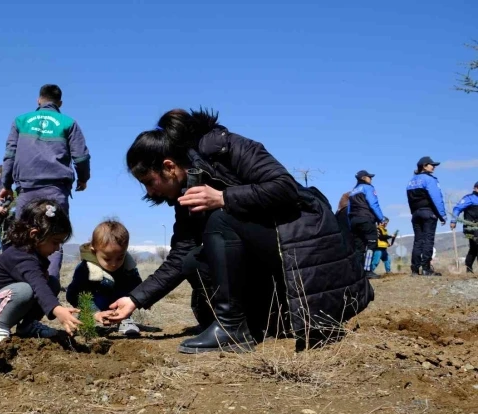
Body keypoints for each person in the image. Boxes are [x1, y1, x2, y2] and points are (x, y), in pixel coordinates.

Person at [106, 108, 373, 354]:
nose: (150, 192)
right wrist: (134, 299)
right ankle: (254, 324)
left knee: (220, 220)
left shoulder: (225, 146)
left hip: (301, 243)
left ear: (169, 167)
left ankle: (232, 327)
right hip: (268, 257)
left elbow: (286, 187)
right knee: (192, 259)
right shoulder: (187, 191)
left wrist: (224, 198)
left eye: (149, 182)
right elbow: (180, 254)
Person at [0, 84, 91, 281]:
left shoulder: (21, 121)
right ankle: (50, 285)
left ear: (38, 100)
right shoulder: (68, 122)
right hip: (56, 189)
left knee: (22, 235)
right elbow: (81, 157)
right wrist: (83, 179)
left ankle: (23, 282)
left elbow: (9, 155)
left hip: (26, 189)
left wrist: (6, 186)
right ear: (60, 103)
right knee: (54, 235)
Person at [0, 200, 81, 345]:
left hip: (11, 302)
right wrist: (57, 310)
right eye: (55, 242)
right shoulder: (20, 256)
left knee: (52, 283)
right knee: (25, 290)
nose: (57, 248)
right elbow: (38, 287)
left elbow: (42, 285)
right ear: (34, 235)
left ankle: (27, 325)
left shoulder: (36, 255)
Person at [66, 219, 143, 337]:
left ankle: (125, 319)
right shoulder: (85, 269)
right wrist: (93, 312)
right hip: (93, 303)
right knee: (85, 299)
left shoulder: (128, 268)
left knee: (127, 291)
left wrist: (143, 298)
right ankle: (86, 323)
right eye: (107, 259)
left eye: (119, 258)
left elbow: (137, 285)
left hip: (118, 304)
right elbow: (74, 294)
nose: (114, 264)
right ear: (94, 251)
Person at [406, 156, 446, 276]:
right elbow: (436, 198)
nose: (433, 166)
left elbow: (409, 200)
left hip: (416, 214)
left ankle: (414, 269)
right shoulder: (429, 179)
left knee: (418, 241)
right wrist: (442, 215)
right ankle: (426, 269)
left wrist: (413, 212)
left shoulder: (411, 181)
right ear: (424, 166)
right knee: (428, 239)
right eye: (431, 164)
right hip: (428, 213)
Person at [348, 170, 385, 280]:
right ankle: (367, 270)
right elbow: (373, 204)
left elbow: (349, 209)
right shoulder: (368, 188)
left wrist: (350, 224)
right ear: (363, 178)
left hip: (354, 221)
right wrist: (381, 218)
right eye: (369, 177)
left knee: (359, 247)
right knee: (371, 244)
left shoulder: (352, 192)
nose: (371, 179)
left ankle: (359, 272)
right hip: (366, 219)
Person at [450, 181, 478, 273]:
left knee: (474, 248)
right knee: (476, 244)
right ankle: (469, 267)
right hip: (469, 229)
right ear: (475, 188)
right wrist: (453, 221)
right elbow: (457, 209)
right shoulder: (469, 199)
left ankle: (468, 267)